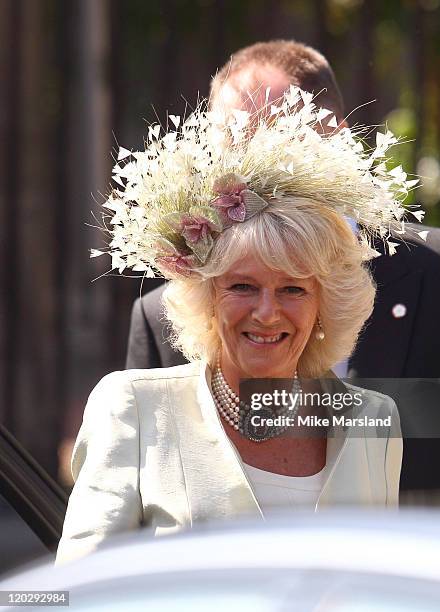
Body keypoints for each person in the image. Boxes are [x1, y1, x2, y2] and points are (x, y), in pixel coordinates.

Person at [57, 87, 407, 564]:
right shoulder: (135, 408)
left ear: (327, 306)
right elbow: (77, 592)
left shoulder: (373, 421)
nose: (266, 312)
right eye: (243, 287)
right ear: (207, 298)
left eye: (293, 290)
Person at [126, 41, 440, 494]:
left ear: (336, 138)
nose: (245, 176)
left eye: (268, 147)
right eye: (229, 150)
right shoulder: (168, 312)